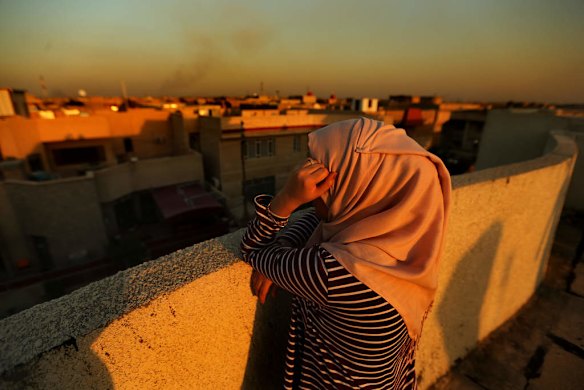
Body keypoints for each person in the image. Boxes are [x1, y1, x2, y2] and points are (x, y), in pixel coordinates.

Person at [240, 117, 451, 389]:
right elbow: (320, 221)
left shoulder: (333, 271)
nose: (314, 191)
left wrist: (287, 199)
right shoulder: (407, 248)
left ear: (363, 186)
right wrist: (285, 253)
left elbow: (253, 248)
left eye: (323, 177)